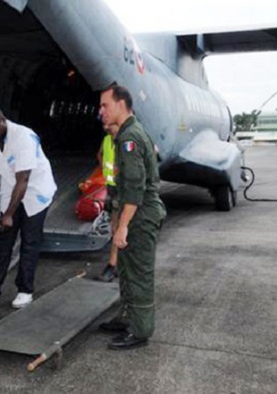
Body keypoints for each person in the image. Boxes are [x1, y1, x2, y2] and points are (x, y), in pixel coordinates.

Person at [97, 85, 166, 350]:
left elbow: (136, 192)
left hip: (141, 215)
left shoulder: (130, 139)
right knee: (125, 271)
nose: (101, 111)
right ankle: (127, 317)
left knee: (139, 274)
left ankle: (140, 330)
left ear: (121, 104)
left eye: (105, 105)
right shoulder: (122, 135)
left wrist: (122, 226)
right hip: (131, 213)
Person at [0, 108, 57, 309]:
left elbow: (23, 179)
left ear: (3, 121)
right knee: (4, 239)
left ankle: (25, 291)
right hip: (11, 187)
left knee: (29, 241)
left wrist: (9, 214)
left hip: (35, 191)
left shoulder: (23, 137)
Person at [95, 124, 119, 282]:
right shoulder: (107, 140)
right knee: (115, 226)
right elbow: (100, 155)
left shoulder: (128, 141)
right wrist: (108, 171)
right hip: (113, 187)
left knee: (119, 227)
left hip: (125, 188)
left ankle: (113, 264)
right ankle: (114, 264)